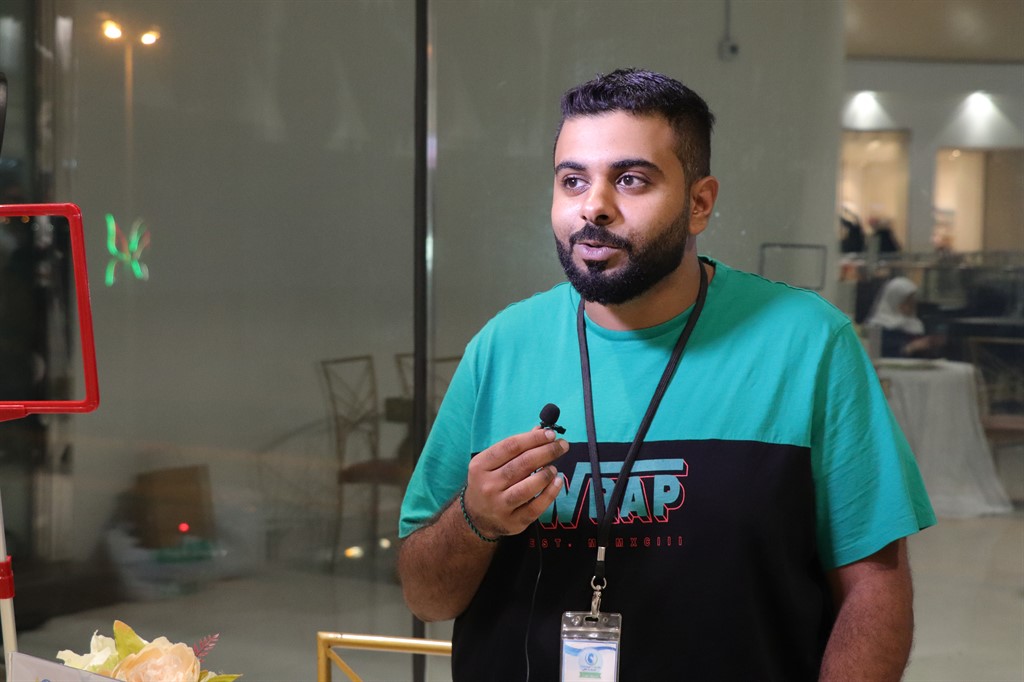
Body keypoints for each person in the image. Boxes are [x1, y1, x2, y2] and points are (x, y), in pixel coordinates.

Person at [398, 68, 935, 681]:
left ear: (699, 203)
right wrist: (476, 520)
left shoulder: (810, 344)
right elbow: (426, 597)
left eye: (631, 179)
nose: (594, 206)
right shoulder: (502, 346)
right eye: (573, 180)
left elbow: (874, 588)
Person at [866, 276, 941, 358]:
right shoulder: (879, 327)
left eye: (912, 300)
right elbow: (879, 354)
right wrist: (910, 348)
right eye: (907, 301)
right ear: (894, 300)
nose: (912, 305)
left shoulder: (916, 325)